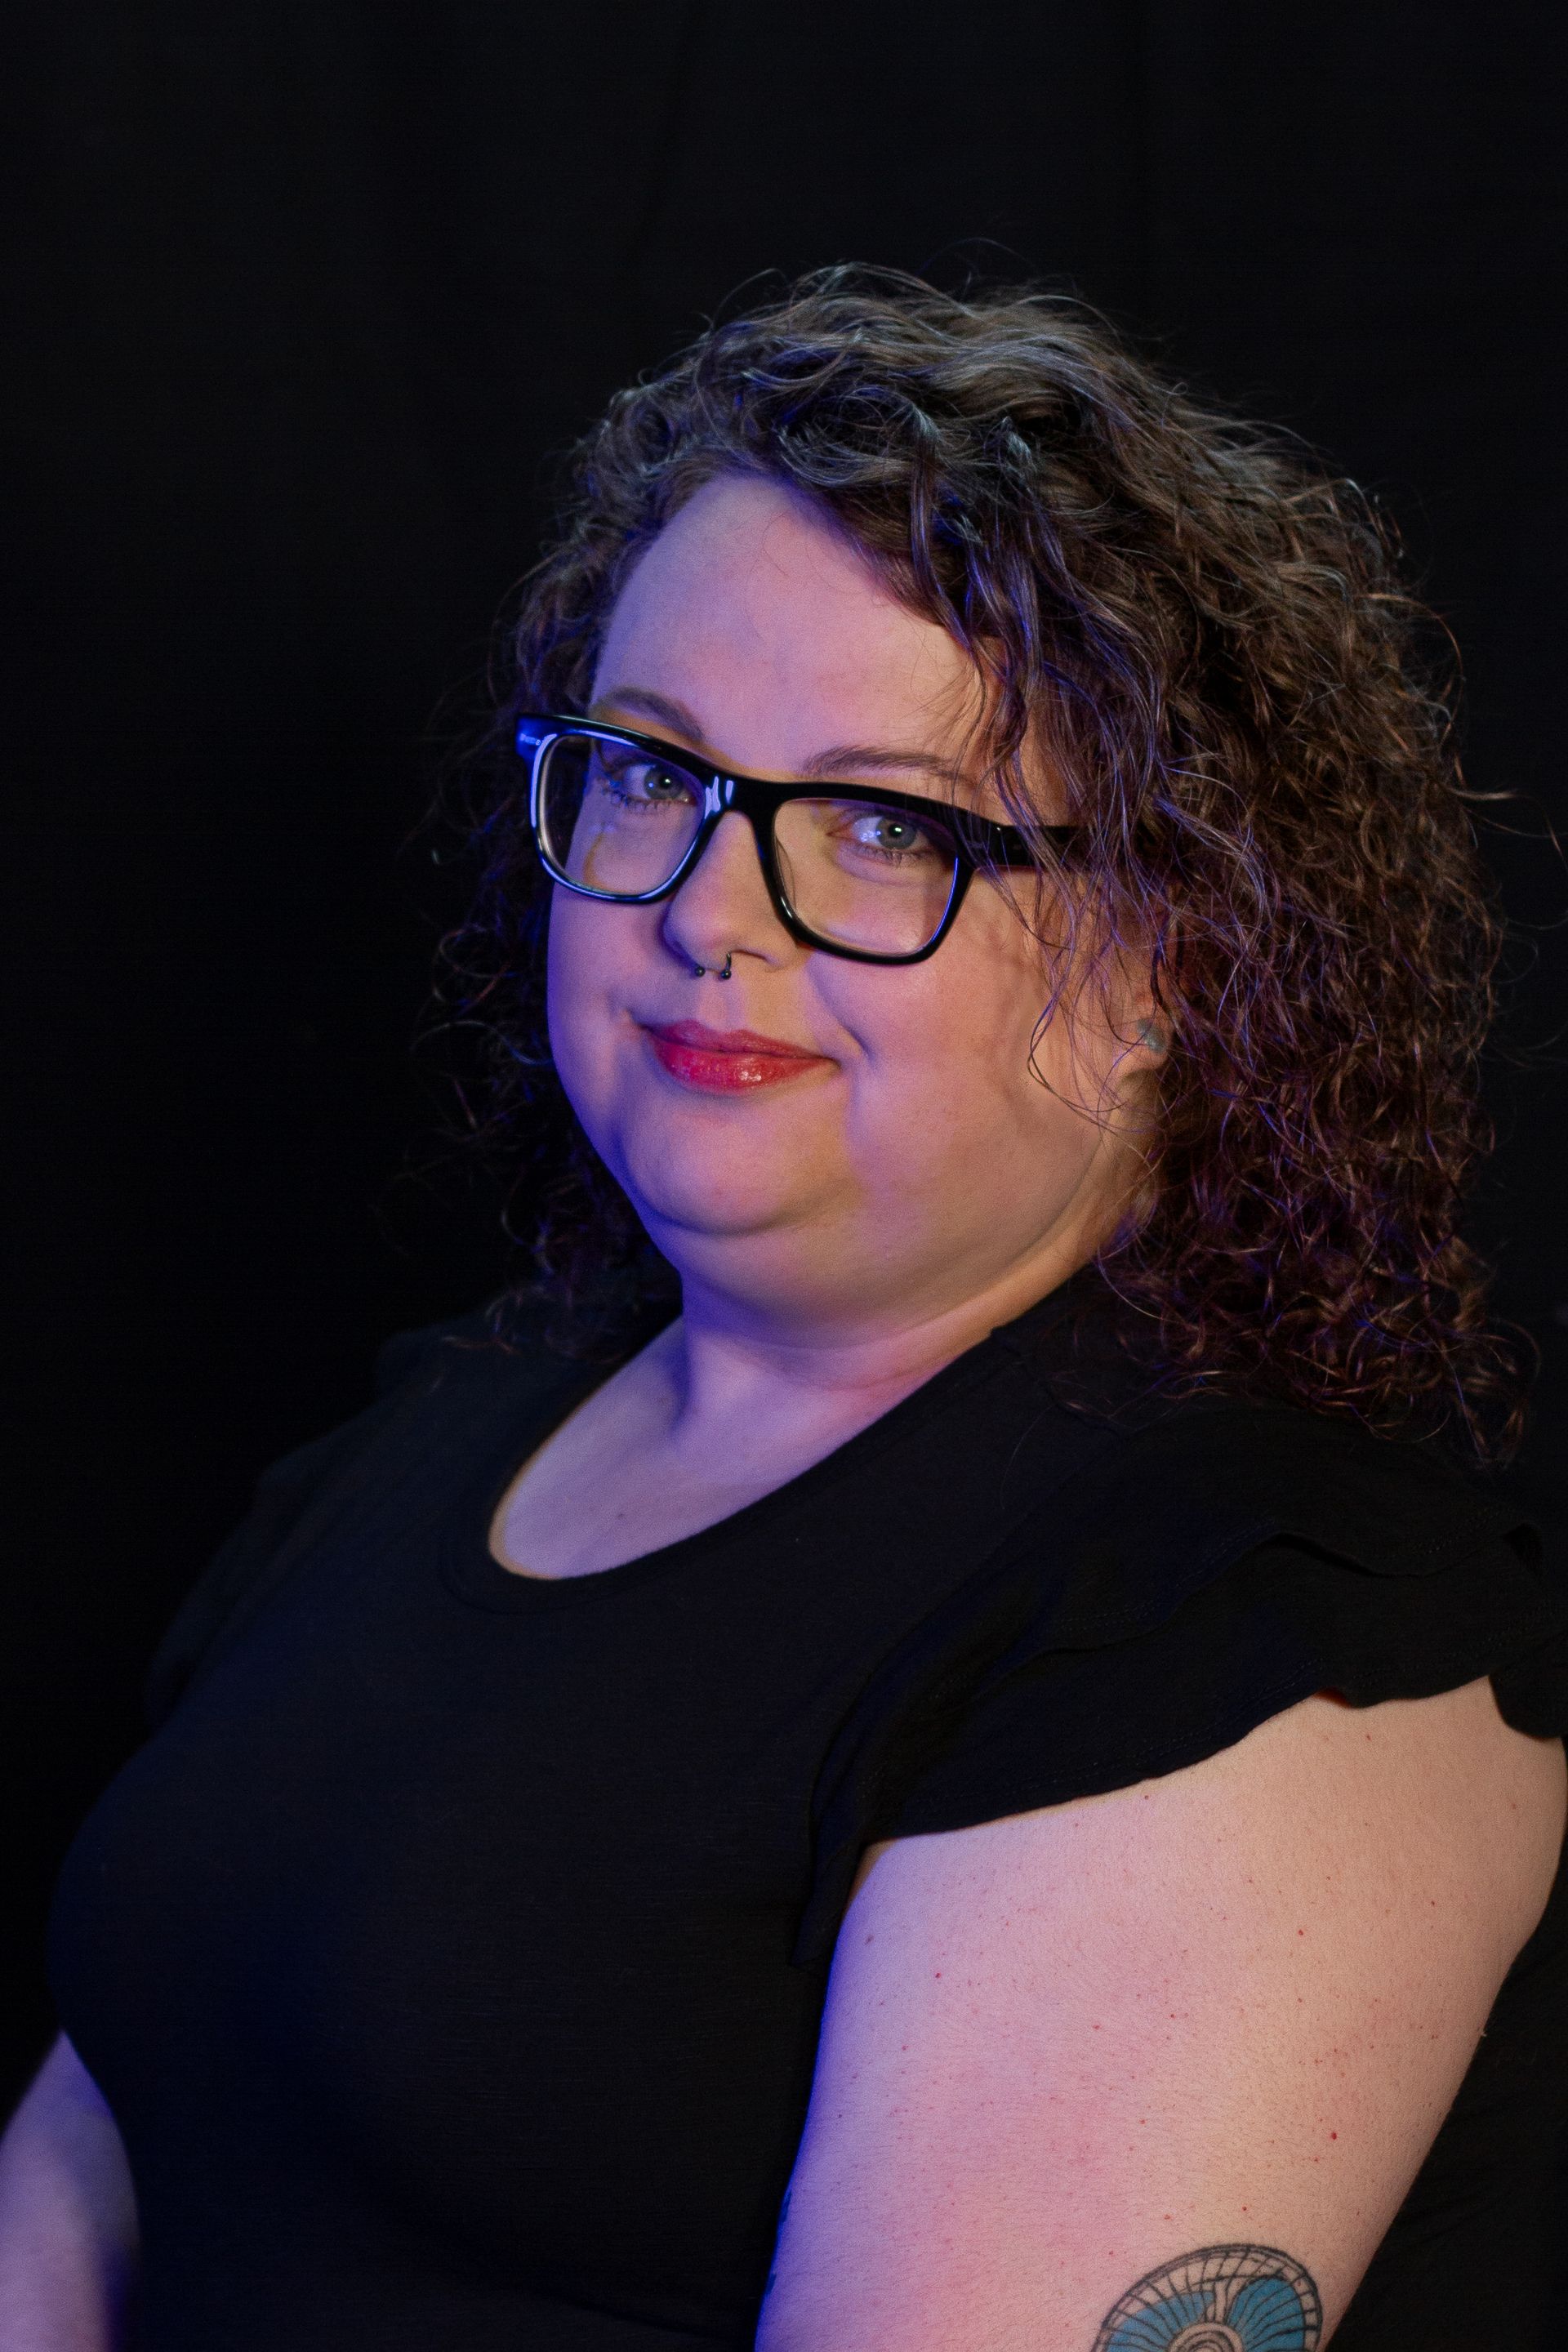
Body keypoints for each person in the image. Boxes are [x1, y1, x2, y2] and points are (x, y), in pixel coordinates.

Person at [2, 268, 1564, 2352]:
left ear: (1178, 957)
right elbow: (97, 2164)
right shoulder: (435, 1436)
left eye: (878, 822)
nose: (707, 915)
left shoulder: (1246, 1648)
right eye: (651, 775)